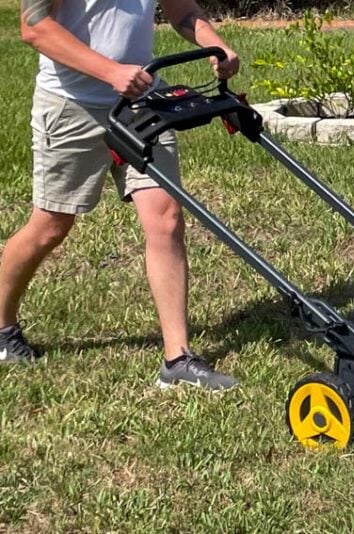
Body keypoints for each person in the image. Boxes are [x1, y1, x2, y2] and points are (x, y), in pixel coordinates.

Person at [0, 0, 240, 391]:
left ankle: (177, 359)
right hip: (71, 105)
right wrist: (110, 72)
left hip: (142, 103)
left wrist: (217, 45)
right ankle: (2, 327)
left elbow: (182, 13)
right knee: (51, 225)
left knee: (166, 217)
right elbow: (35, 27)